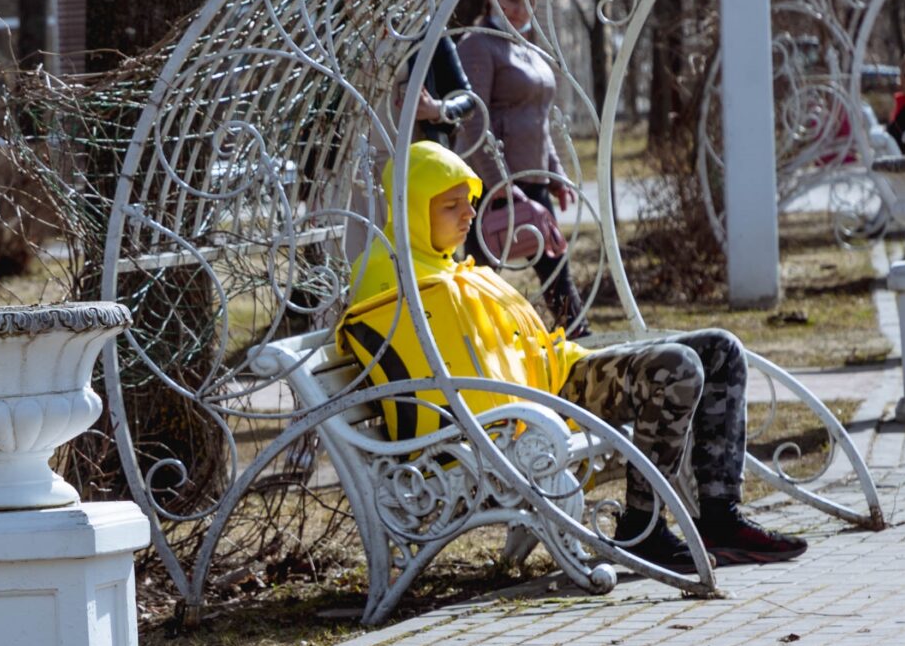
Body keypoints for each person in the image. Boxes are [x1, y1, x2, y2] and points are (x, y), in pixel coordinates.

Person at [339, 142, 806, 575]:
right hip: (517, 414)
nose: (469, 214)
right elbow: (425, 371)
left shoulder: (449, 266)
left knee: (720, 349)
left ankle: (720, 519)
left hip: (555, 381)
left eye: (469, 201)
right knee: (677, 368)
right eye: (450, 205)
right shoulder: (391, 274)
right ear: (410, 210)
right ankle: (643, 528)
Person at [419, 0, 588, 336]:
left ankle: (579, 340)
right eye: (513, 0)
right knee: (482, 274)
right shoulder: (481, 44)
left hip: (533, 180)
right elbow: (474, 119)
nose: (520, 10)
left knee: (555, 269)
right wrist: (501, 184)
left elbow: (539, 119)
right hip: (493, 183)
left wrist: (555, 174)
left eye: (529, 3)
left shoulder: (528, 48)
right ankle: (468, 339)